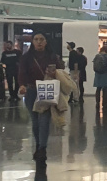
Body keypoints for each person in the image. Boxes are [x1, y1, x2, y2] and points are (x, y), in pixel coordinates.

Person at [17, 33, 64, 161]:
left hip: (47, 89)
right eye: (36, 39)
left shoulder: (52, 57)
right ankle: (38, 145)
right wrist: (22, 85)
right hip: (32, 90)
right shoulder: (26, 57)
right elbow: (22, 73)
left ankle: (42, 148)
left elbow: (60, 72)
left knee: (44, 120)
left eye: (41, 39)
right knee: (35, 121)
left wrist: (55, 73)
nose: (39, 42)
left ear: (46, 42)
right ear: (32, 42)